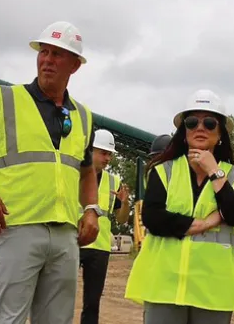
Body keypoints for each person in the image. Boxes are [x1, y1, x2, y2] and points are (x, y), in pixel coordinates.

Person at [0, 21, 101, 324]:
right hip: (16, 229)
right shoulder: (5, 101)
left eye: (57, 54)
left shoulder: (83, 116)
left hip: (66, 235)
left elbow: (86, 171)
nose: (48, 60)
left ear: (75, 66)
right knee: (7, 320)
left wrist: (92, 209)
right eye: (44, 52)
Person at [124, 89, 234, 324]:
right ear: (184, 132)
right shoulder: (163, 170)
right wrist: (206, 222)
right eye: (192, 122)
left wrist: (214, 171)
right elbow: (153, 219)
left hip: (213, 290)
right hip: (164, 286)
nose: (200, 127)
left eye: (210, 122)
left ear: (221, 133)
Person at [79, 128, 131, 324]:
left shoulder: (114, 181)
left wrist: (125, 203)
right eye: (103, 152)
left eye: (110, 154)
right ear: (90, 151)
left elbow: (121, 220)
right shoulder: (74, 173)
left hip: (100, 248)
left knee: (92, 303)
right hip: (74, 242)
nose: (107, 158)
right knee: (60, 295)